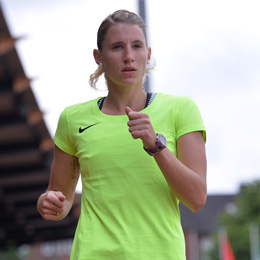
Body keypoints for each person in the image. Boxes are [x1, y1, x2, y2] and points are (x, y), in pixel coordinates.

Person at [37, 9, 207, 260]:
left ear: (148, 54)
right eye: (117, 47)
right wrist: (49, 202)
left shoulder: (181, 109)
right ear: (99, 56)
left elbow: (197, 198)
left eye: (136, 46)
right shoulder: (72, 119)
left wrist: (156, 146)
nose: (129, 56)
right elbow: (60, 201)